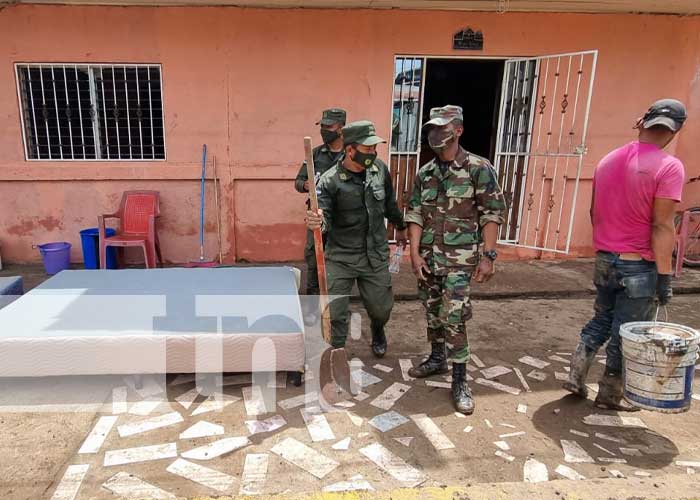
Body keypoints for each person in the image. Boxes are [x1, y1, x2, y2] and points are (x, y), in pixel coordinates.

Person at [564, 99, 688, 411]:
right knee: (626, 332)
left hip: (606, 258)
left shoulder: (608, 160)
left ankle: (576, 375)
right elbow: (662, 226)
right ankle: (608, 395)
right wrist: (664, 276)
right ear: (676, 130)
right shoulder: (669, 166)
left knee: (602, 318)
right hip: (639, 265)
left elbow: (595, 212)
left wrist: (607, 245)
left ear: (641, 122)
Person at [404, 105, 506, 414]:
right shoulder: (426, 173)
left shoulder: (478, 168)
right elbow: (416, 213)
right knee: (433, 311)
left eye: (442, 127)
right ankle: (437, 358)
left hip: (460, 261)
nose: (436, 133)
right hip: (430, 259)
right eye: (432, 128)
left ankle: (460, 379)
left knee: (454, 317)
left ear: (458, 129)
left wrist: (488, 256)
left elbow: (492, 212)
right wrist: (414, 253)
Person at [306, 120, 407, 357]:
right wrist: (318, 222)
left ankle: (377, 328)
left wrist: (400, 226)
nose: (373, 153)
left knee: (381, 309)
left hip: (374, 253)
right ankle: (337, 352)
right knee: (335, 312)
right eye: (367, 149)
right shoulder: (330, 181)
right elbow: (325, 218)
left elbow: (390, 203)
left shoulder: (379, 170)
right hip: (341, 256)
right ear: (350, 150)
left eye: (374, 148)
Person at [295, 108, 347, 304]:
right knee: (313, 257)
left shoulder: (351, 154)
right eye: (322, 126)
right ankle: (312, 305)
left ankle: (336, 303)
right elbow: (298, 182)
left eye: (329, 126)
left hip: (343, 218)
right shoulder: (315, 154)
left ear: (341, 128)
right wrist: (307, 184)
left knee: (339, 260)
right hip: (317, 215)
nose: (324, 130)